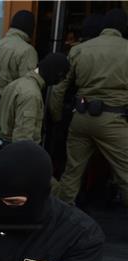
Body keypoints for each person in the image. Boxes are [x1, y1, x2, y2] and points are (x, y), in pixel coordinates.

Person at [49, 8, 128, 206]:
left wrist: (58, 118)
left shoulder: (78, 50)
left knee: (71, 174)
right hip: (113, 120)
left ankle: (61, 222)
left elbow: (59, 90)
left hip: (81, 120)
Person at [0, 53, 70, 148]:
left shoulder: (15, 84)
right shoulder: (31, 94)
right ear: (55, 73)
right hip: (17, 152)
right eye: (61, 76)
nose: (60, 81)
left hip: (4, 145)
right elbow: (23, 137)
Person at [0, 10, 39, 145]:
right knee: (15, 151)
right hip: (13, 108)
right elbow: (27, 85)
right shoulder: (27, 50)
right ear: (30, 28)